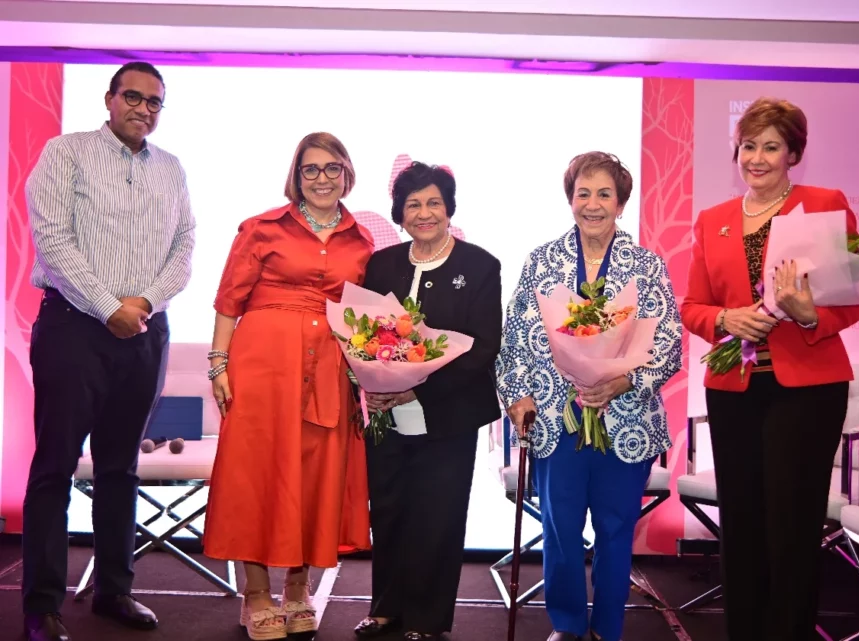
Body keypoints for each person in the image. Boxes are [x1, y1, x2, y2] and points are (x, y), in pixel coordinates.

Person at [681, 97, 859, 641]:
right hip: (734, 387)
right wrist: (725, 318)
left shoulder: (823, 204)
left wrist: (814, 316)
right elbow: (692, 306)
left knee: (792, 524)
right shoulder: (713, 220)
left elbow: (855, 298)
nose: (756, 158)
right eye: (748, 146)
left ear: (793, 154)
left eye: (770, 147)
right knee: (740, 520)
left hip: (807, 390)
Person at [22, 61, 196, 641]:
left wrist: (142, 303)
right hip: (74, 328)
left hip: (146, 332)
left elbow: (185, 245)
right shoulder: (65, 153)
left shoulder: (170, 169)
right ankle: (41, 604)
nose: (143, 109)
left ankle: (114, 592)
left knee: (121, 467)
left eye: (154, 103)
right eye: (134, 97)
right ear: (110, 98)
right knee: (54, 466)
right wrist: (108, 306)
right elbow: (51, 240)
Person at [495, 152, 681, 641]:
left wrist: (624, 380)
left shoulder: (646, 266)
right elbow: (513, 338)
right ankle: (568, 625)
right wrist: (517, 398)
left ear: (621, 203)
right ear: (570, 199)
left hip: (627, 424)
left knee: (616, 531)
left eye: (604, 194)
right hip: (558, 422)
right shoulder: (542, 262)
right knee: (560, 531)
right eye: (583, 193)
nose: (592, 204)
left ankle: (608, 628)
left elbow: (668, 346)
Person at [202, 132, 373, 640]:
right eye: (311, 169)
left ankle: (297, 589)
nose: (322, 178)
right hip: (262, 367)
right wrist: (218, 363)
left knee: (315, 476)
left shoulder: (361, 240)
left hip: (329, 371)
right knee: (257, 474)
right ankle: (255, 593)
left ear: (347, 173)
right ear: (296, 176)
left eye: (332, 168)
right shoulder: (261, 229)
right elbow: (229, 300)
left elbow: (361, 313)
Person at [353, 162, 502, 641]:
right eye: (414, 204)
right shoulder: (382, 265)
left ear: (448, 208)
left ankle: (428, 619)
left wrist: (415, 386)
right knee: (391, 510)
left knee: (437, 516)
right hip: (385, 413)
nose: (424, 213)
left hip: (449, 414)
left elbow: (482, 347)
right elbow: (362, 335)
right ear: (399, 212)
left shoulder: (480, 265)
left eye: (433, 202)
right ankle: (385, 608)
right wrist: (372, 383)